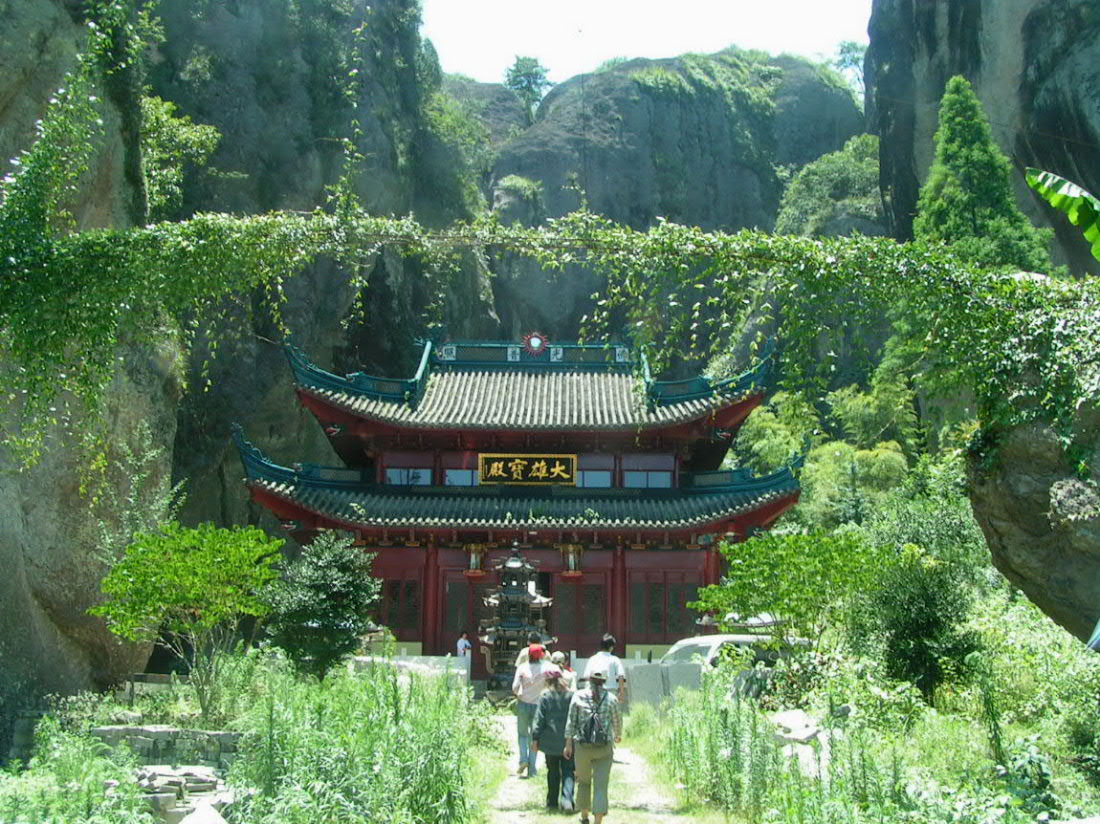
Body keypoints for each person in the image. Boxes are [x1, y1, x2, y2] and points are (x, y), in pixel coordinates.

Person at [564, 667, 622, 824]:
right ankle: (598, 821)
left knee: (583, 781)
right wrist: (617, 735)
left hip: (583, 746)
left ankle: (584, 816)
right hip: (604, 747)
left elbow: (571, 722)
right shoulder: (611, 699)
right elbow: (617, 721)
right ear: (604, 681)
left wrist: (568, 744)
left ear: (589, 679)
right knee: (601, 785)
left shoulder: (578, 696)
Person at [530, 666, 575, 812]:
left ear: (548, 681)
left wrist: (535, 739)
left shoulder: (545, 697)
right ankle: (567, 800)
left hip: (550, 741)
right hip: (568, 741)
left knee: (553, 771)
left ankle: (552, 801)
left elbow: (539, 719)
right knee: (568, 770)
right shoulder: (571, 696)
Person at [512, 642, 550, 777]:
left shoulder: (522, 668)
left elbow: (515, 687)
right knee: (535, 737)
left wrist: (519, 695)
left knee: (522, 734)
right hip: (538, 705)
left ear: (528, 655)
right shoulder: (546, 668)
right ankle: (532, 769)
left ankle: (523, 759)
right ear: (540, 655)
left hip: (523, 703)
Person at [583, 633, 626, 704]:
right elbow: (621, 676)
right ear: (611, 647)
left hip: (594, 693)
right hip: (610, 693)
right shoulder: (615, 659)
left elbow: (586, 676)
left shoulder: (592, 659)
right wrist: (622, 693)